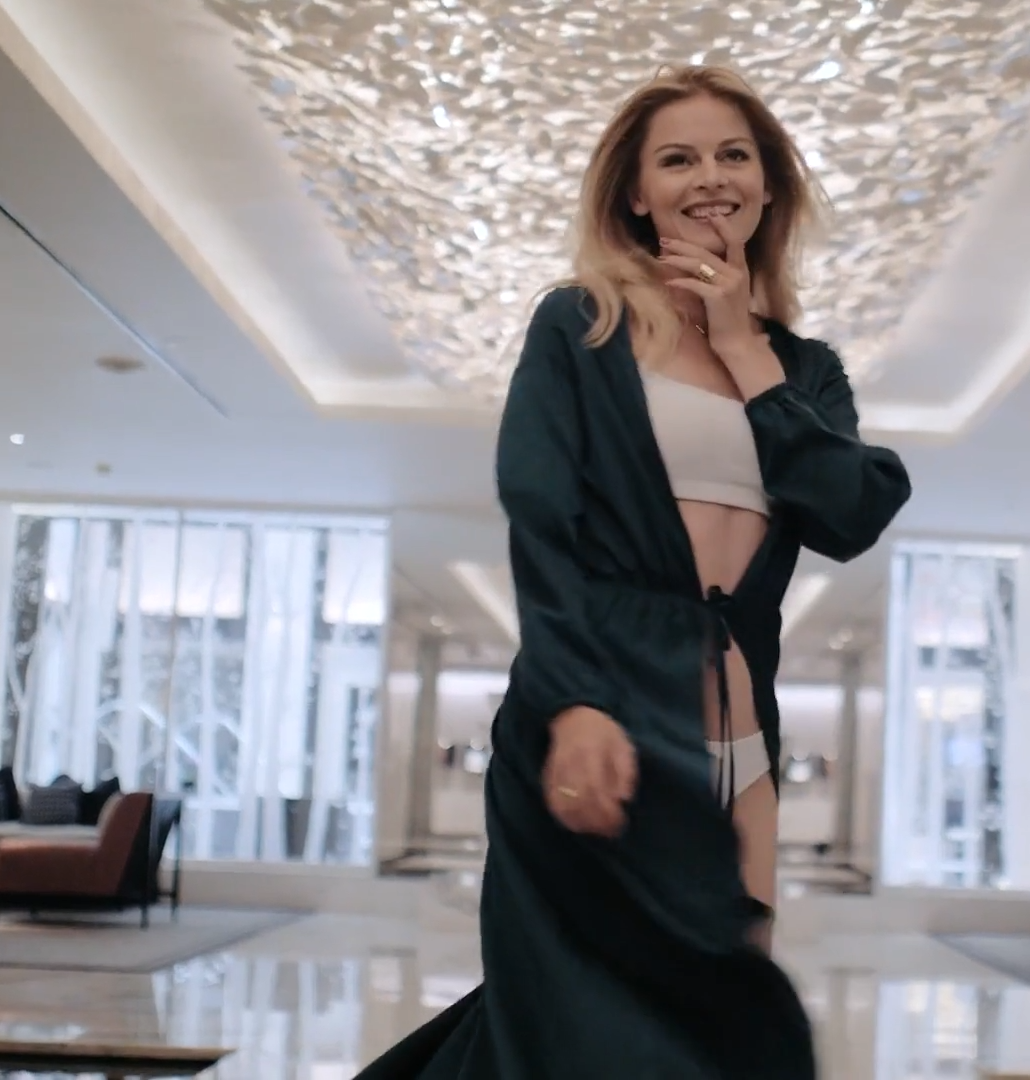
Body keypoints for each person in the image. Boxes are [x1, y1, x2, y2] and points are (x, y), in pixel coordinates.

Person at [358, 64, 911, 1079]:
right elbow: (543, 519)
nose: (711, 177)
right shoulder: (583, 326)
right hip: (601, 702)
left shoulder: (806, 369)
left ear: (768, 187)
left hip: (738, 724)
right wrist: (573, 700)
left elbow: (850, 514)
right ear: (637, 194)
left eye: (734, 155)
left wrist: (744, 347)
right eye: (679, 159)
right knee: (581, 1027)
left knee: (720, 1020)